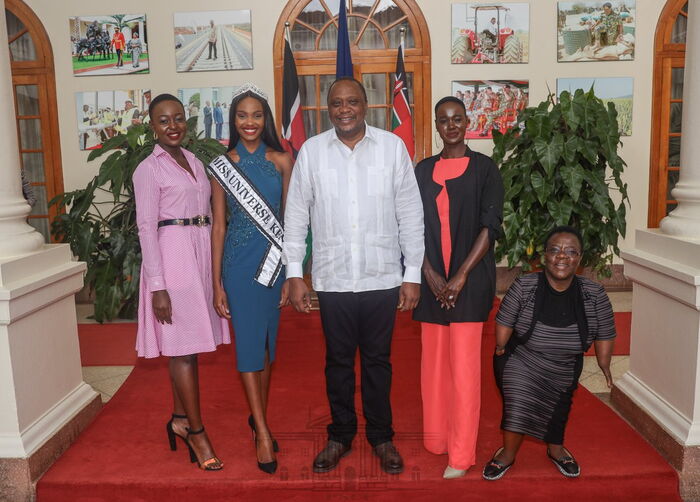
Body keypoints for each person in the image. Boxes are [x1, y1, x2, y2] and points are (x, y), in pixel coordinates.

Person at [283, 77, 424, 475]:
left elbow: (411, 214)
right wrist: (296, 274)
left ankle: (381, 437)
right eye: (337, 103)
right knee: (338, 363)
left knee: (379, 363)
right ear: (329, 109)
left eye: (352, 102)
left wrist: (411, 272)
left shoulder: (392, 148)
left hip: (381, 278)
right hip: (333, 280)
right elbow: (295, 216)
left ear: (367, 105)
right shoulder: (312, 152)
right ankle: (340, 434)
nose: (344, 109)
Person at [132, 93, 231, 471]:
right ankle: (197, 430)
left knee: (185, 347)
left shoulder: (193, 161)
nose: (172, 126)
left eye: (178, 119)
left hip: (200, 253)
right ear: (151, 125)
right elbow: (145, 228)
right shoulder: (148, 169)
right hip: (172, 257)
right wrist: (158, 286)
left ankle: (177, 419)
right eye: (163, 120)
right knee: (183, 350)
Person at [413, 96, 504, 479]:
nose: (450, 126)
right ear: (436, 125)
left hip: (470, 281)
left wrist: (461, 275)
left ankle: (461, 454)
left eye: (457, 119)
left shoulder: (486, 169)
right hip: (431, 280)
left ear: (468, 122)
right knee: (432, 366)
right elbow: (408, 226)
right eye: (443, 120)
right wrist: (430, 273)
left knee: (464, 369)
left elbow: (490, 225)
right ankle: (436, 438)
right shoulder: (421, 171)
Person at [483, 226, 616, 481]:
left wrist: (605, 364)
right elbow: (505, 319)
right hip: (521, 358)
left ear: (579, 258)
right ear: (544, 256)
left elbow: (605, 331)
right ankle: (508, 454)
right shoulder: (525, 285)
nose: (562, 257)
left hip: (565, 364)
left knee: (559, 409)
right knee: (517, 404)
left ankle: (555, 449)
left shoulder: (594, 293)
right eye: (555, 250)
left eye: (570, 251)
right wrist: (501, 346)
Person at [209, 83, 293, 475]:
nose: (249, 122)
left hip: (275, 265)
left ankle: (258, 416)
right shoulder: (224, 165)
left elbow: (293, 223)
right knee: (247, 346)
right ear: (233, 120)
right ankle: (261, 430)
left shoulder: (281, 160)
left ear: (266, 120)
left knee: (265, 348)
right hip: (240, 267)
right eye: (242, 115)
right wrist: (216, 283)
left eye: (256, 115)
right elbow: (218, 228)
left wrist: (294, 275)